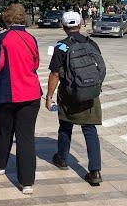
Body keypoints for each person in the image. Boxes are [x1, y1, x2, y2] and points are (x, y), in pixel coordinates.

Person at [0, 3, 41, 195]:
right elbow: (36, 63)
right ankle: (27, 182)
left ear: (7, 19)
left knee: (4, 131)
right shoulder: (31, 38)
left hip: (7, 93)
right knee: (26, 137)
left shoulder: (2, 37)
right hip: (31, 93)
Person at [45, 10, 105, 186]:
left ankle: (62, 159)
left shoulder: (61, 47)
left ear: (63, 27)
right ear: (80, 25)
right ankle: (95, 171)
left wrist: (49, 97)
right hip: (90, 95)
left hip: (69, 94)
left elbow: (55, 74)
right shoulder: (92, 44)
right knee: (90, 130)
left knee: (65, 126)